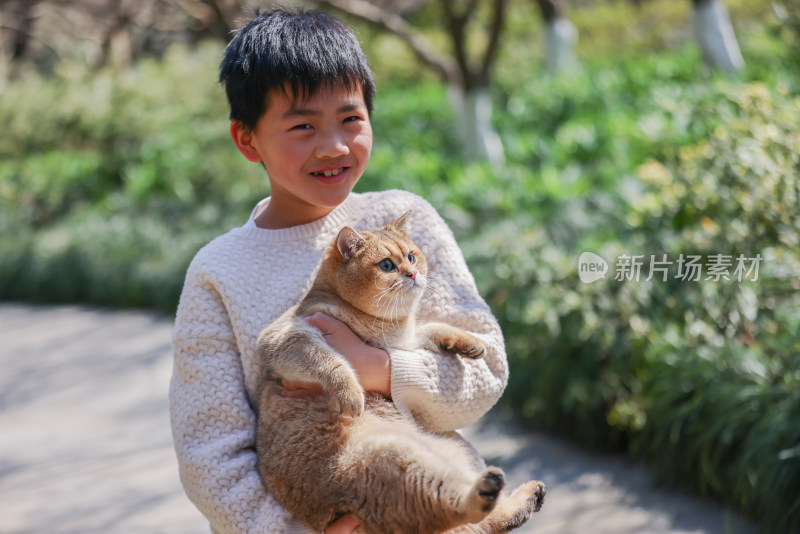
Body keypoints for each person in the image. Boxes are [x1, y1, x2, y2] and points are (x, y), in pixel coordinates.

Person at [169, 7, 508, 534]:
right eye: (303, 125)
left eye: (351, 119)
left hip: (431, 506)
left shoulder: (405, 221)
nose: (334, 146)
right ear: (247, 138)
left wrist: (379, 369)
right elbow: (208, 451)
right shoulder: (218, 271)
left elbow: (486, 370)